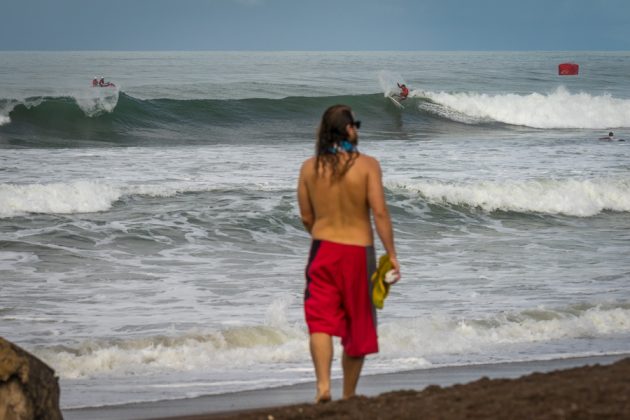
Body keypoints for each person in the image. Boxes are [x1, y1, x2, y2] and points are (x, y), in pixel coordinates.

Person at [297, 104, 401, 403]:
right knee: (357, 323)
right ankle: (348, 394)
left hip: (323, 250)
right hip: (358, 253)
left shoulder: (309, 168)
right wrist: (391, 253)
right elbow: (379, 212)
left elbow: (306, 217)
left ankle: (323, 387)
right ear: (349, 129)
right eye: (356, 124)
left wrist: (323, 235)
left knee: (320, 320)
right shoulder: (368, 165)